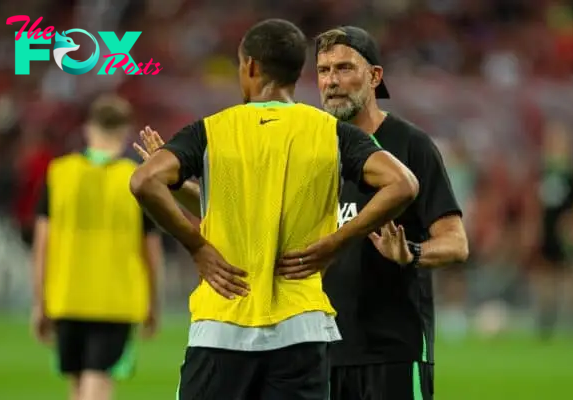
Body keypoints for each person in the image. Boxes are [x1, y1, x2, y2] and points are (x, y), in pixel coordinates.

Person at [130, 18, 419, 400]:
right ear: (299, 72)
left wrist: (196, 246)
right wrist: (336, 242)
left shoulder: (212, 131)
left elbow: (143, 181)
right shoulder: (330, 132)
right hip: (301, 327)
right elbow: (404, 184)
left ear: (249, 66)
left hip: (222, 323)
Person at [312, 26, 469, 400]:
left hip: (395, 351)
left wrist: (412, 253)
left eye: (345, 68)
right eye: (323, 70)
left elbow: (456, 242)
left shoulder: (410, 145)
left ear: (375, 76)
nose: (332, 81)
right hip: (321, 350)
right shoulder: (311, 150)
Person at [31, 95, 162, 400]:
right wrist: (153, 303)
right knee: (98, 379)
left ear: (89, 129)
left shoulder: (58, 173)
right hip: (115, 298)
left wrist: (39, 301)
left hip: (65, 294)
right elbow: (151, 250)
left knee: (78, 382)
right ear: (125, 131)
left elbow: (42, 245)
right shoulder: (137, 179)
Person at [533, 120, 573, 339]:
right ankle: (546, 321)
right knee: (545, 274)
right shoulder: (544, 170)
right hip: (547, 229)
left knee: (568, 274)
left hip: (566, 231)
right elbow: (536, 202)